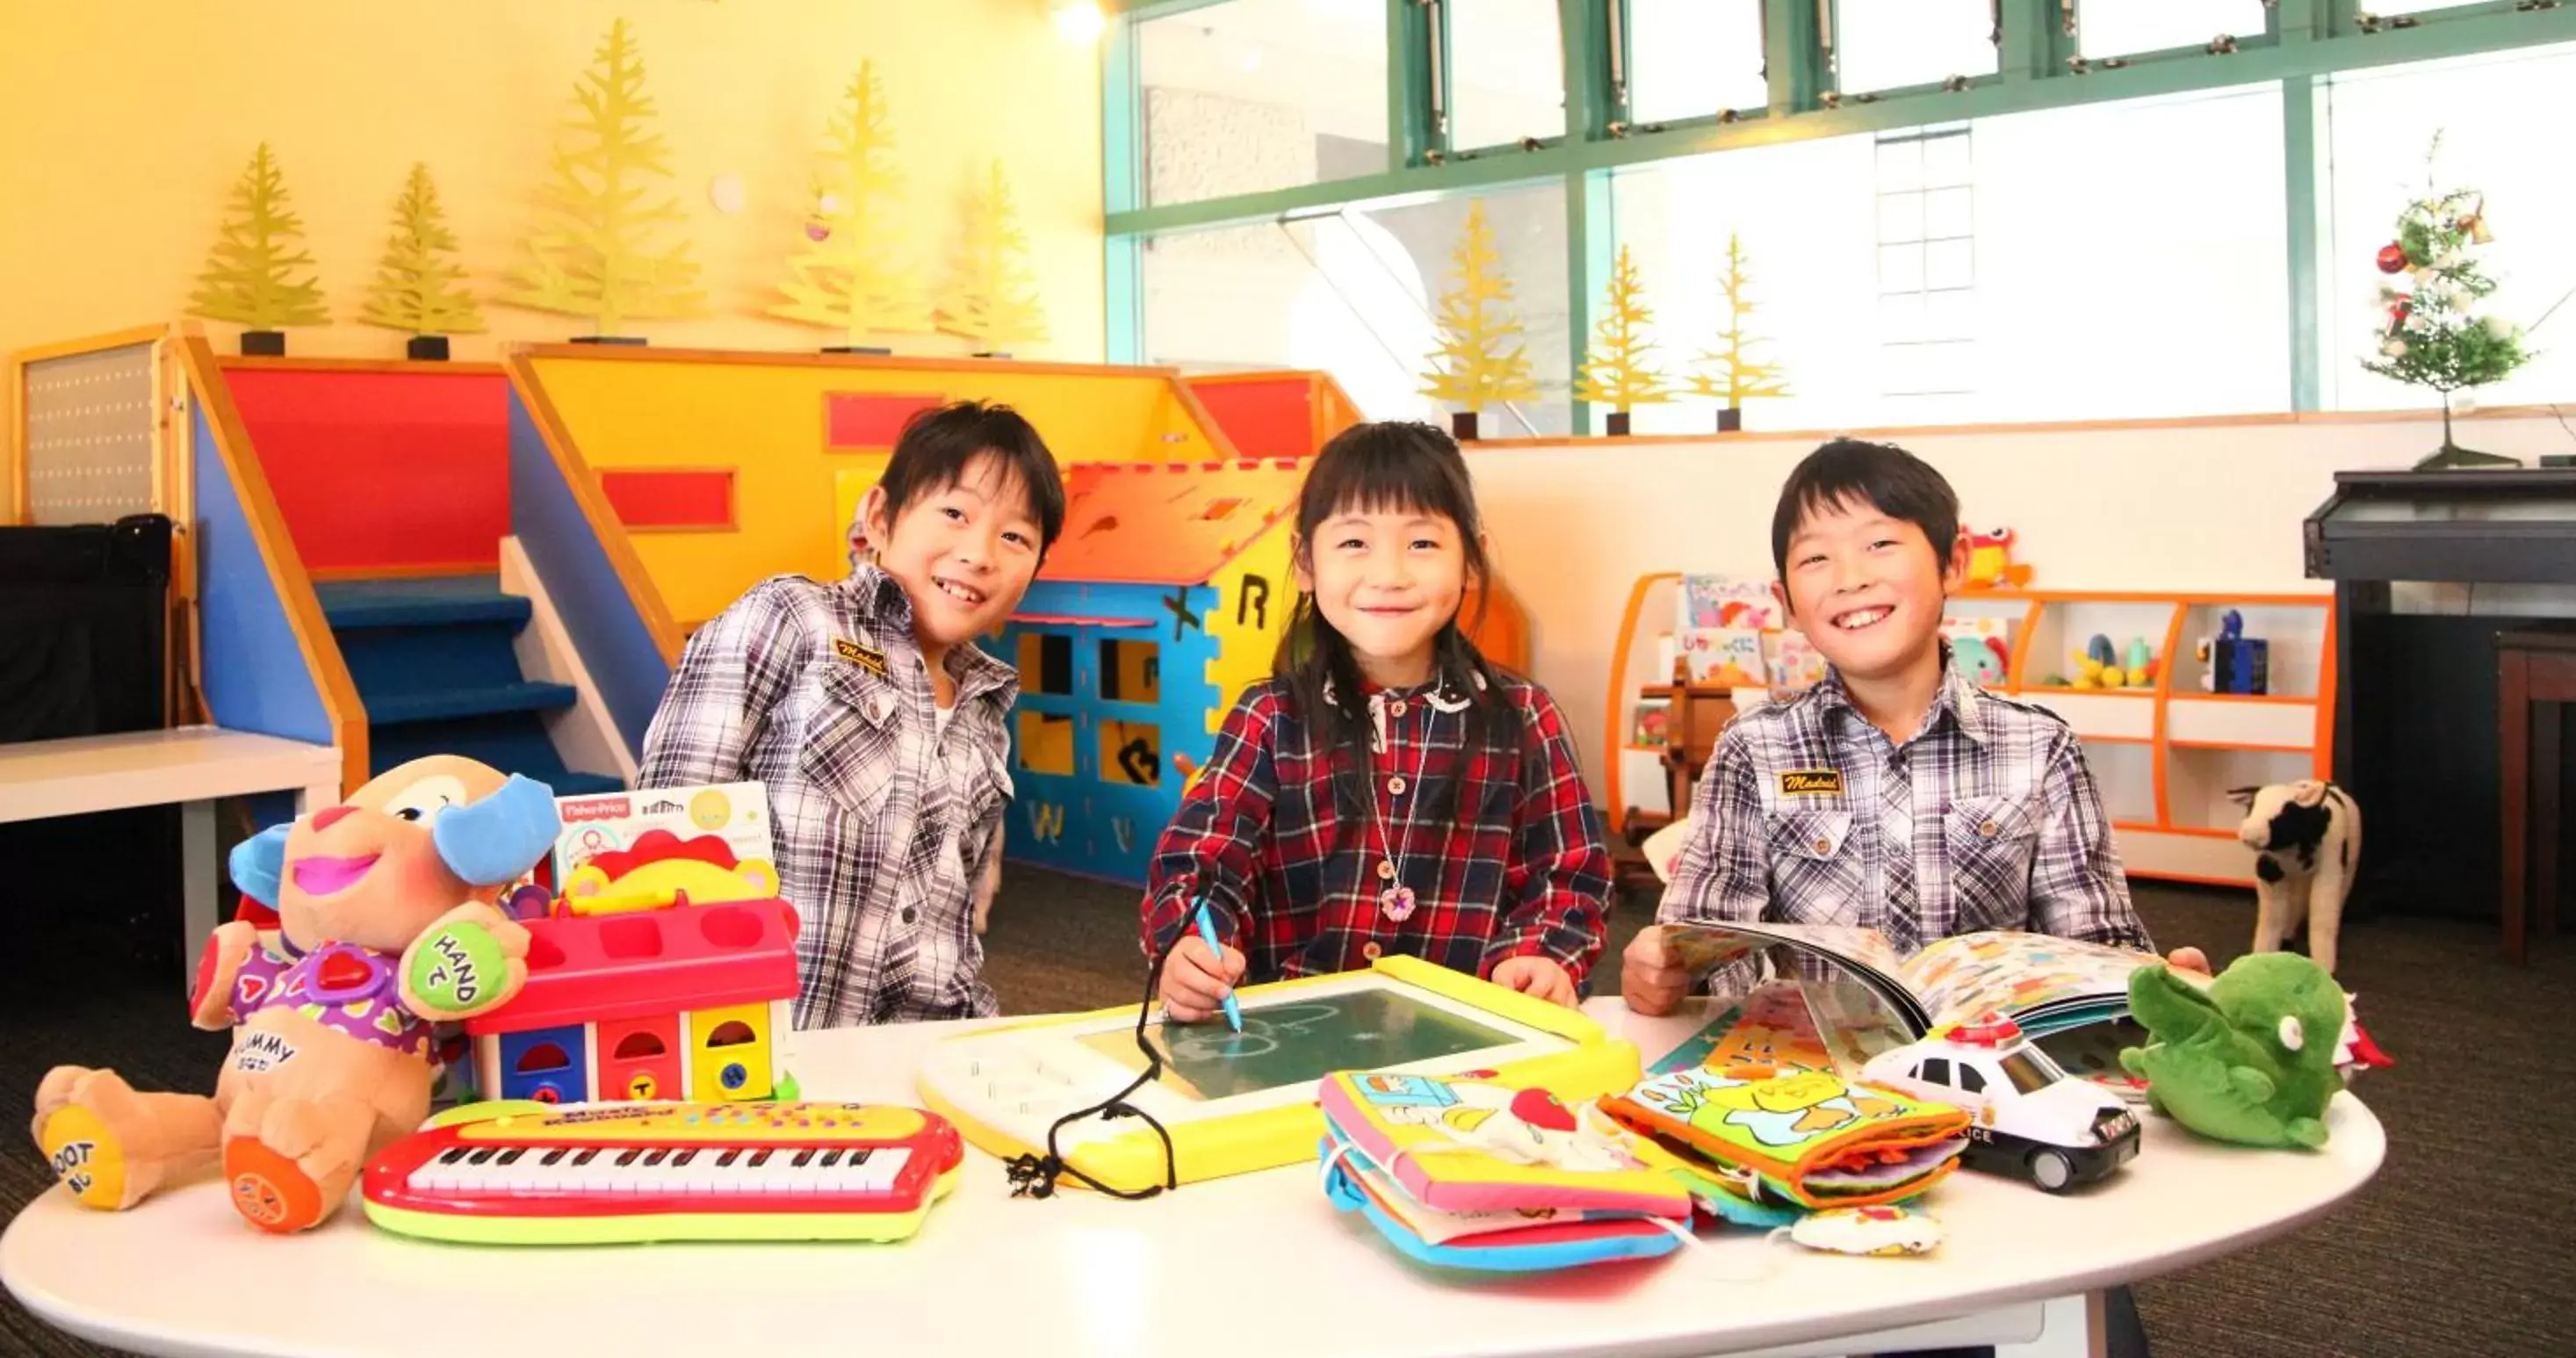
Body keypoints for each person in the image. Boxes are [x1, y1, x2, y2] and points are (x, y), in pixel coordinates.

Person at [1625, 437, 2205, 1014]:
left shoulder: (2040, 747)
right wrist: (1668, 973)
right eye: (1815, 559)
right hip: (1814, 1075)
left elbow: (2093, 943)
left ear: (1953, 563)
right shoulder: (1754, 749)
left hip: (1991, 1072)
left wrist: (2152, 988)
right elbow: (1707, 948)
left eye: (1880, 544)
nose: (1850, 578)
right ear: (1787, 603)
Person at [1142, 421, 1611, 1021]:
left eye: (1421, 544)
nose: (1388, 575)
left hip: (1468, 1042)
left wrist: (1542, 956)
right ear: (1306, 562)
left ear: (1472, 559)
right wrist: (1190, 948)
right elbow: (1204, 862)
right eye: (1354, 544)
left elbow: (1568, 877)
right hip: (1289, 1042)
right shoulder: (1267, 718)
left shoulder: (1522, 717)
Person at [639, 401, 1064, 1029]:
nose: (979, 554)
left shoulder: (985, 712)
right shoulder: (792, 620)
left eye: (1015, 537)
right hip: (761, 1050)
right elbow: (665, 835)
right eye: (954, 513)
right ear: (880, 518)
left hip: (911, 1062)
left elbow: (953, 935)